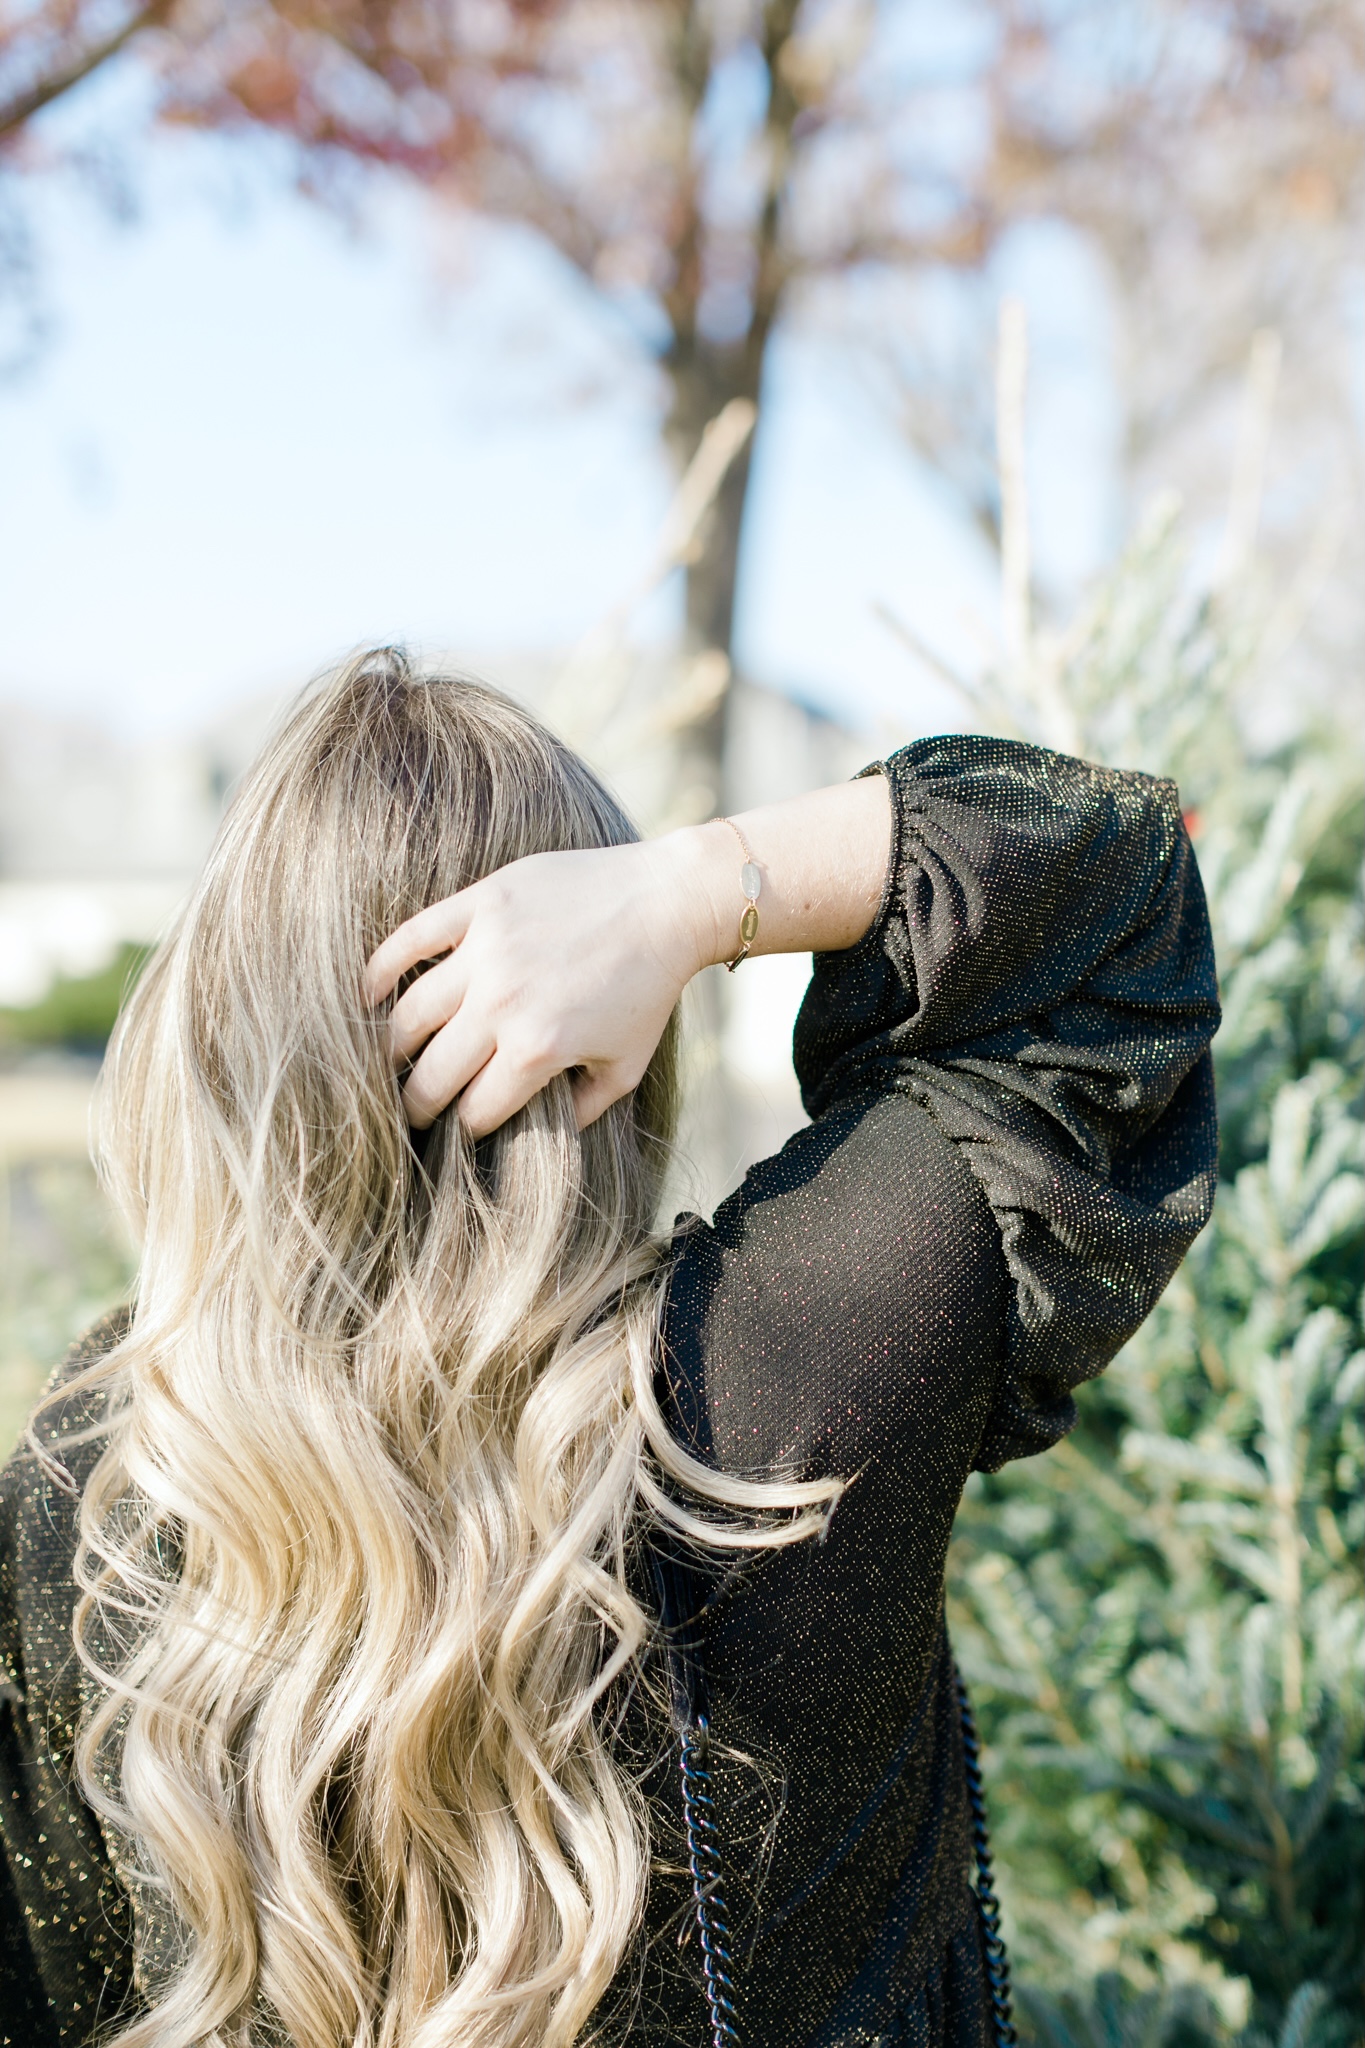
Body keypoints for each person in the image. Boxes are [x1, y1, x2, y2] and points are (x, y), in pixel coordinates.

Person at [0, 648, 1219, 2048]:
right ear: (608, 1038)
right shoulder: (787, 1375)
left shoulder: (104, 1474)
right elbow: (1117, 894)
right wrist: (689, 891)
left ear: (222, 1018)